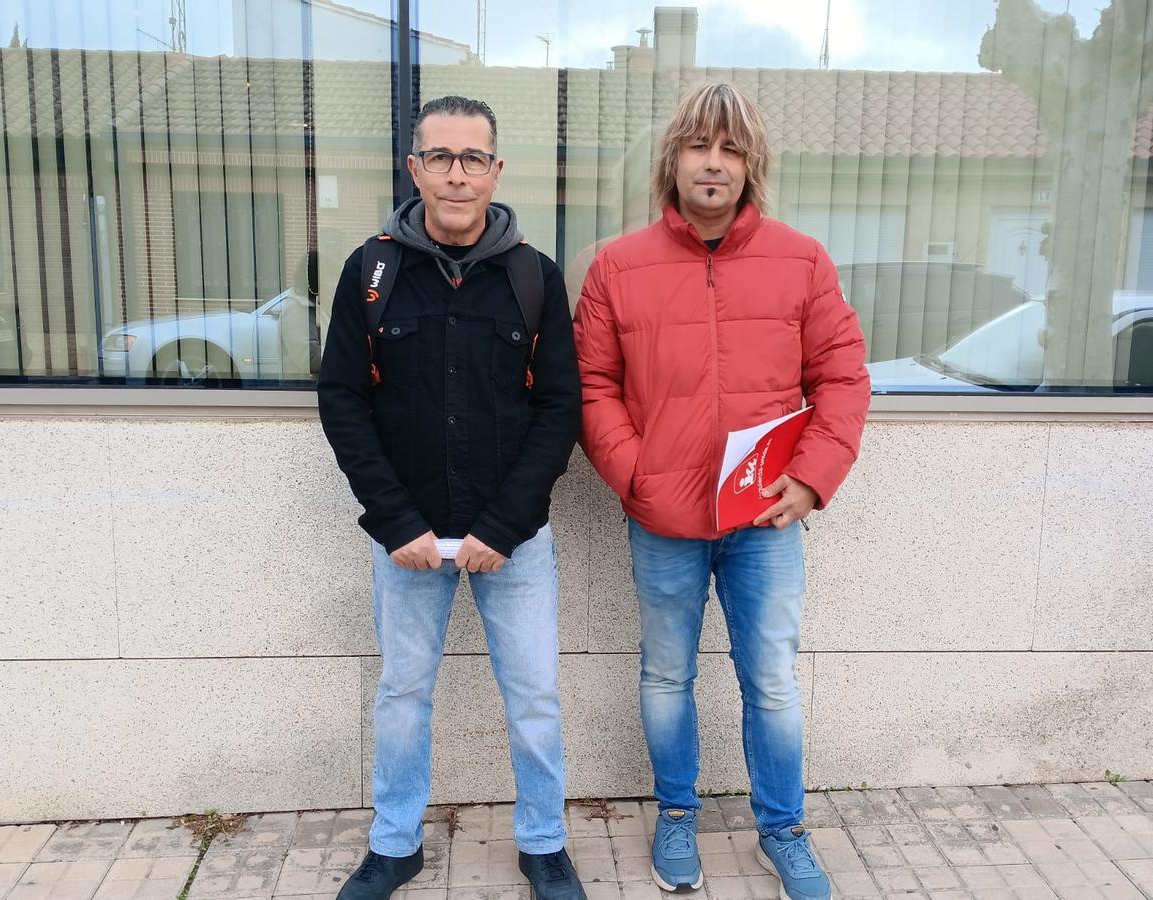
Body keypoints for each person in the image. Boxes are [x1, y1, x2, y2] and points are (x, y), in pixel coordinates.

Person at [573, 83, 870, 900]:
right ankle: (677, 815)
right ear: (674, 159)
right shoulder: (617, 265)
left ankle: (783, 829)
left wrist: (812, 480)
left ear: (752, 166)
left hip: (765, 519)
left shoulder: (802, 260)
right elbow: (592, 384)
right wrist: (635, 474)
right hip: (662, 520)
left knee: (769, 679)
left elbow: (842, 377)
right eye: (701, 146)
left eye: (732, 148)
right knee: (666, 675)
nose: (714, 162)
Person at [318, 95, 584, 900]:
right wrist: (394, 519)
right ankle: (394, 844)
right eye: (441, 157)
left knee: (534, 695)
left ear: (497, 171)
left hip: (515, 539)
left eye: (473, 158)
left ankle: (544, 843)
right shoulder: (373, 272)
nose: (457, 173)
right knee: (403, 694)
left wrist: (506, 524)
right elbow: (342, 400)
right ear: (415, 169)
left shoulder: (534, 277)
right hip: (408, 538)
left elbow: (559, 408)